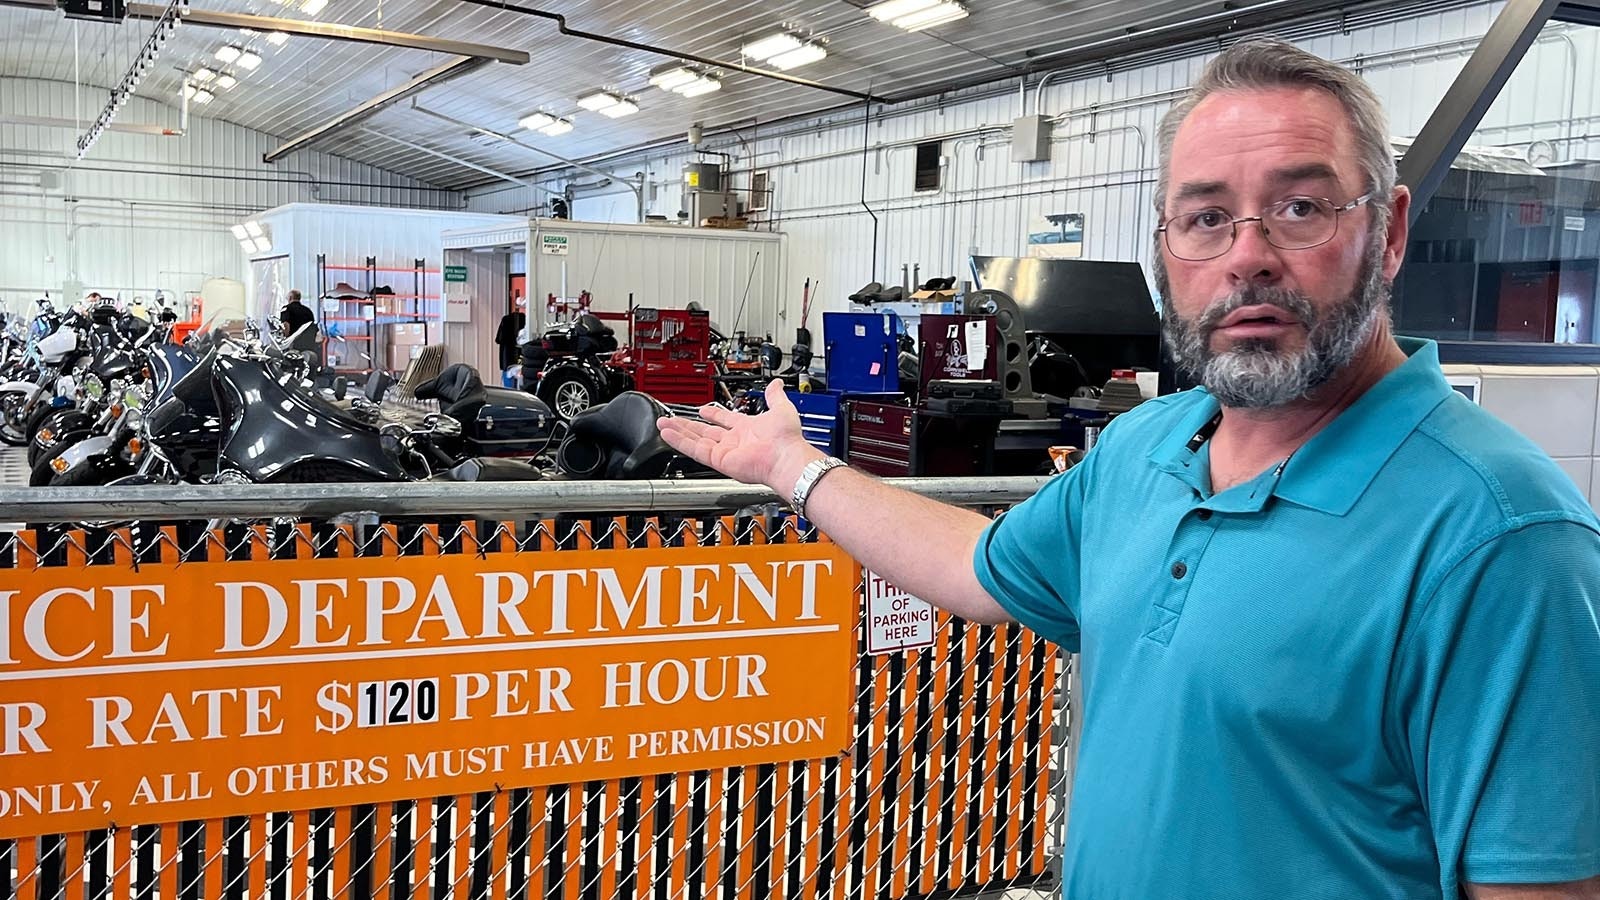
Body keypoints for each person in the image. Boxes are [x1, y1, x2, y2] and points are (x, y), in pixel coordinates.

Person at [658, 39, 1600, 900]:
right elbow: (976, 566)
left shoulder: (1503, 541)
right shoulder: (1150, 446)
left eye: (1300, 208)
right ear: (1163, 247)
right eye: (1204, 218)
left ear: (1388, 232)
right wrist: (795, 467)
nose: (1247, 258)